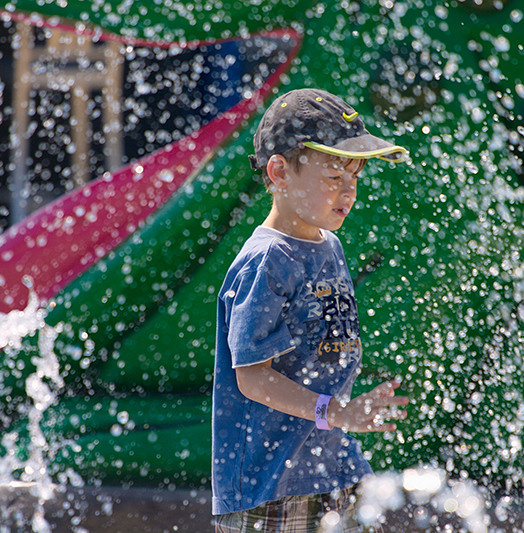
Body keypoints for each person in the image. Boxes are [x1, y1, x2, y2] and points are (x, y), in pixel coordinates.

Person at [212, 88, 410, 532]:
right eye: (334, 177)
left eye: (355, 177)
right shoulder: (268, 261)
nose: (349, 191)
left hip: (330, 468)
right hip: (268, 482)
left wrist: (342, 418)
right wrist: (336, 412)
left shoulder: (329, 245)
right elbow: (251, 376)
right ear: (280, 172)